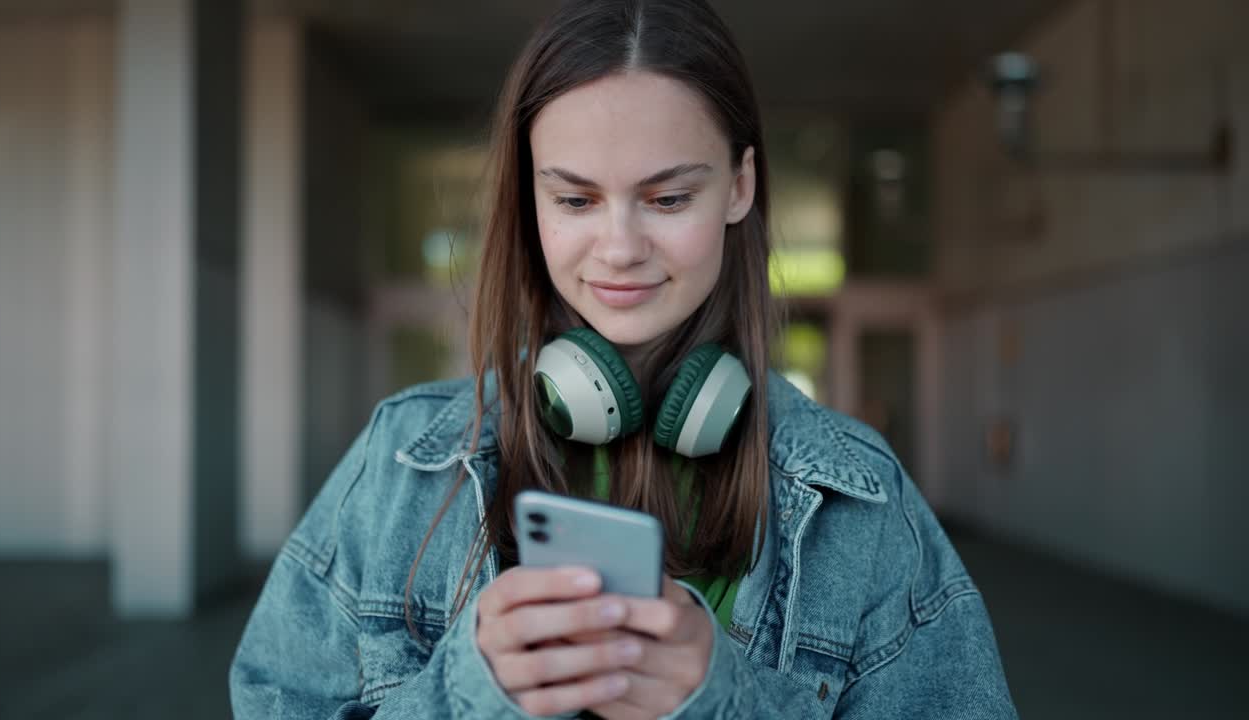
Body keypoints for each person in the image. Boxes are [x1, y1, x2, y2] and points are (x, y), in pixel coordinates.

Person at [229, 1, 1018, 718]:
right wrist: (469, 691)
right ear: (530, 198)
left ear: (741, 185)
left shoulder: (860, 501)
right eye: (574, 200)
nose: (619, 248)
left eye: (668, 198)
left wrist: (725, 703)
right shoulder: (402, 468)